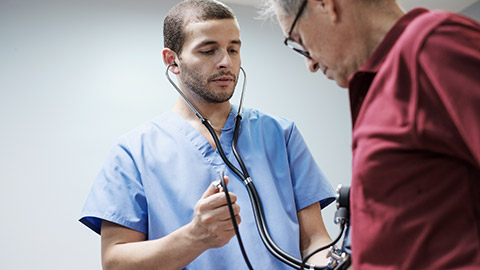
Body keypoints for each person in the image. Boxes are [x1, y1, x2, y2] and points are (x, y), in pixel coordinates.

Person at [79, 0, 336, 269]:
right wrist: (194, 237)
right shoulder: (134, 152)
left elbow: (315, 241)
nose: (226, 62)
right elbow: (115, 262)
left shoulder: (281, 135)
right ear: (172, 60)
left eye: (233, 49)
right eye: (208, 50)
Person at [261, 0, 480, 269]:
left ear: (325, 5)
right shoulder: (381, 87)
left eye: (300, 40)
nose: (310, 63)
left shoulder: (435, 45)